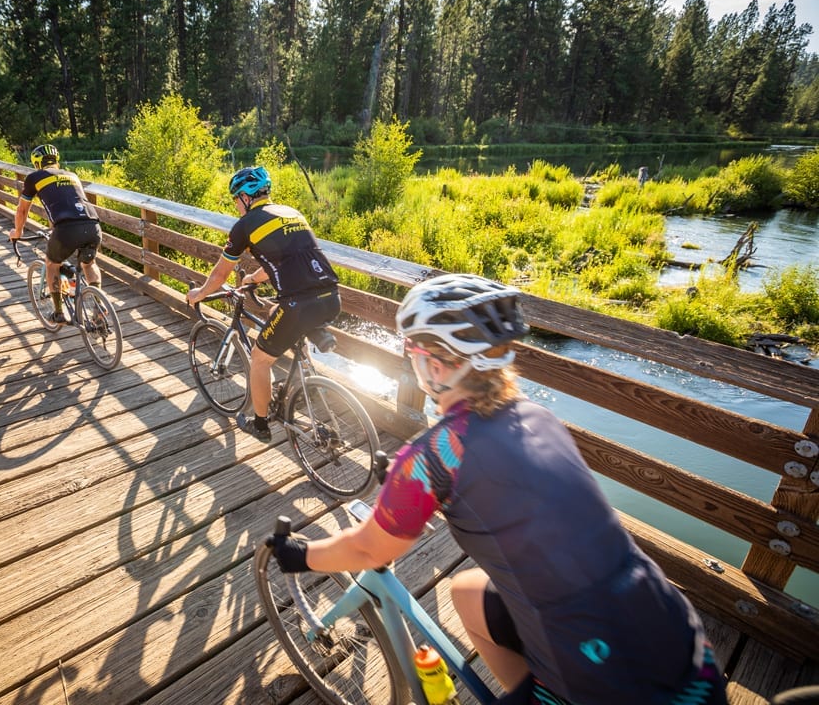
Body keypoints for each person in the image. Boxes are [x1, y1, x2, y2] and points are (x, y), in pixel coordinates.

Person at [267, 273, 728, 705]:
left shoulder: (434, 456)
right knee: (466, 593)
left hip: (599, 682)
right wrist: (415, 486)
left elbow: (368, 551)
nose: (410, 357)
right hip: (681, 642)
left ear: (437, 365)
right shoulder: (538, 417)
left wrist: (301, 555)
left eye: (412, 348)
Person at [186, 166, 341, 443]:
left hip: (298, 304)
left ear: (245, 197)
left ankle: (259, 425)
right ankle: (306, 377)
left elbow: (220, 275)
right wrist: (254, 279)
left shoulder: (245, 225)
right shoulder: (292, 213)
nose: (236, 205)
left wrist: (198, 293)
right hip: (331, 296)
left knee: (260, 359)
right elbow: (285, 259)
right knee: (275, 313)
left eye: (235, 199)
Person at [11, 144, 103, 324]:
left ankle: (59, 312)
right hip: (92, 225)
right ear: (56, 160)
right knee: (89, 263)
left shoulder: (34, 178)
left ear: (37, 163)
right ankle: (99, 308)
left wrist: (17, 232)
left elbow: (22, 211)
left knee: (52, 264)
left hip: (67, 229)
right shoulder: (72, 176)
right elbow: (70, 201)